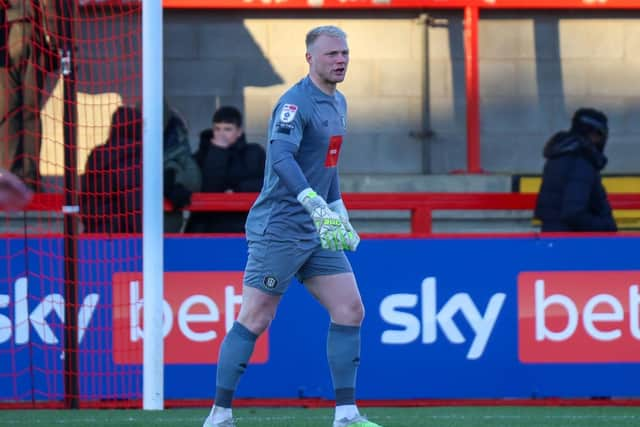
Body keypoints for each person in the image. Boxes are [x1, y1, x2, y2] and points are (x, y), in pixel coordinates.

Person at [203, 26, 381, 427]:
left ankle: (347, 414)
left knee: (351, 309)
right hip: (280, 227)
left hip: (316, 228)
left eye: (345, 53)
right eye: (332, 54)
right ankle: (219, 414)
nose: (340, 60)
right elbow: (282, 159)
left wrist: (338, 210)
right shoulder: (293, 104)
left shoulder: (339, 105)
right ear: (310, 59)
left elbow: (328, 164)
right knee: (256, 317)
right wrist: (311, 202)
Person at [0, 0, 61, 190]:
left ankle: (10, 177)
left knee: (9, 111)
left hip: (9, 31)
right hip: (34, 32)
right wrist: (55, 41)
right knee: (30, 112)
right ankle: (29, 178)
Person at [534, 107, 617, 232]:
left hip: (555, 236)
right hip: (572, 242)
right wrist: (606, 226)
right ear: (592, 133)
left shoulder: (561, 154)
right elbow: (573, 213)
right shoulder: (581, 161)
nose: (601, 141)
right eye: (600, 135)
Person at [185, 106, 265, 233]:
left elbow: (268, 183)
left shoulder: (254, 153)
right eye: (217, 129)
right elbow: (208, 186)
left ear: (239, 131)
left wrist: (238, 189)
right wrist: (218, 152)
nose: (221, 134)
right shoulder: (201, 156)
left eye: (227, 129)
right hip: (206, 227)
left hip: (242, 225)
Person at [80, 106, 142, 233]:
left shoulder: (97, 155)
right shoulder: (134, 157)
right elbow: (134, 205)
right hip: (122, 238)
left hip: (94, 233)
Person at [163, 101, 201, 232]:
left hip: (169, 223)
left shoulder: (179, 145)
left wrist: (175, 178)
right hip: (130, 227)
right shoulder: (128, 149)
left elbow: (194, 181)